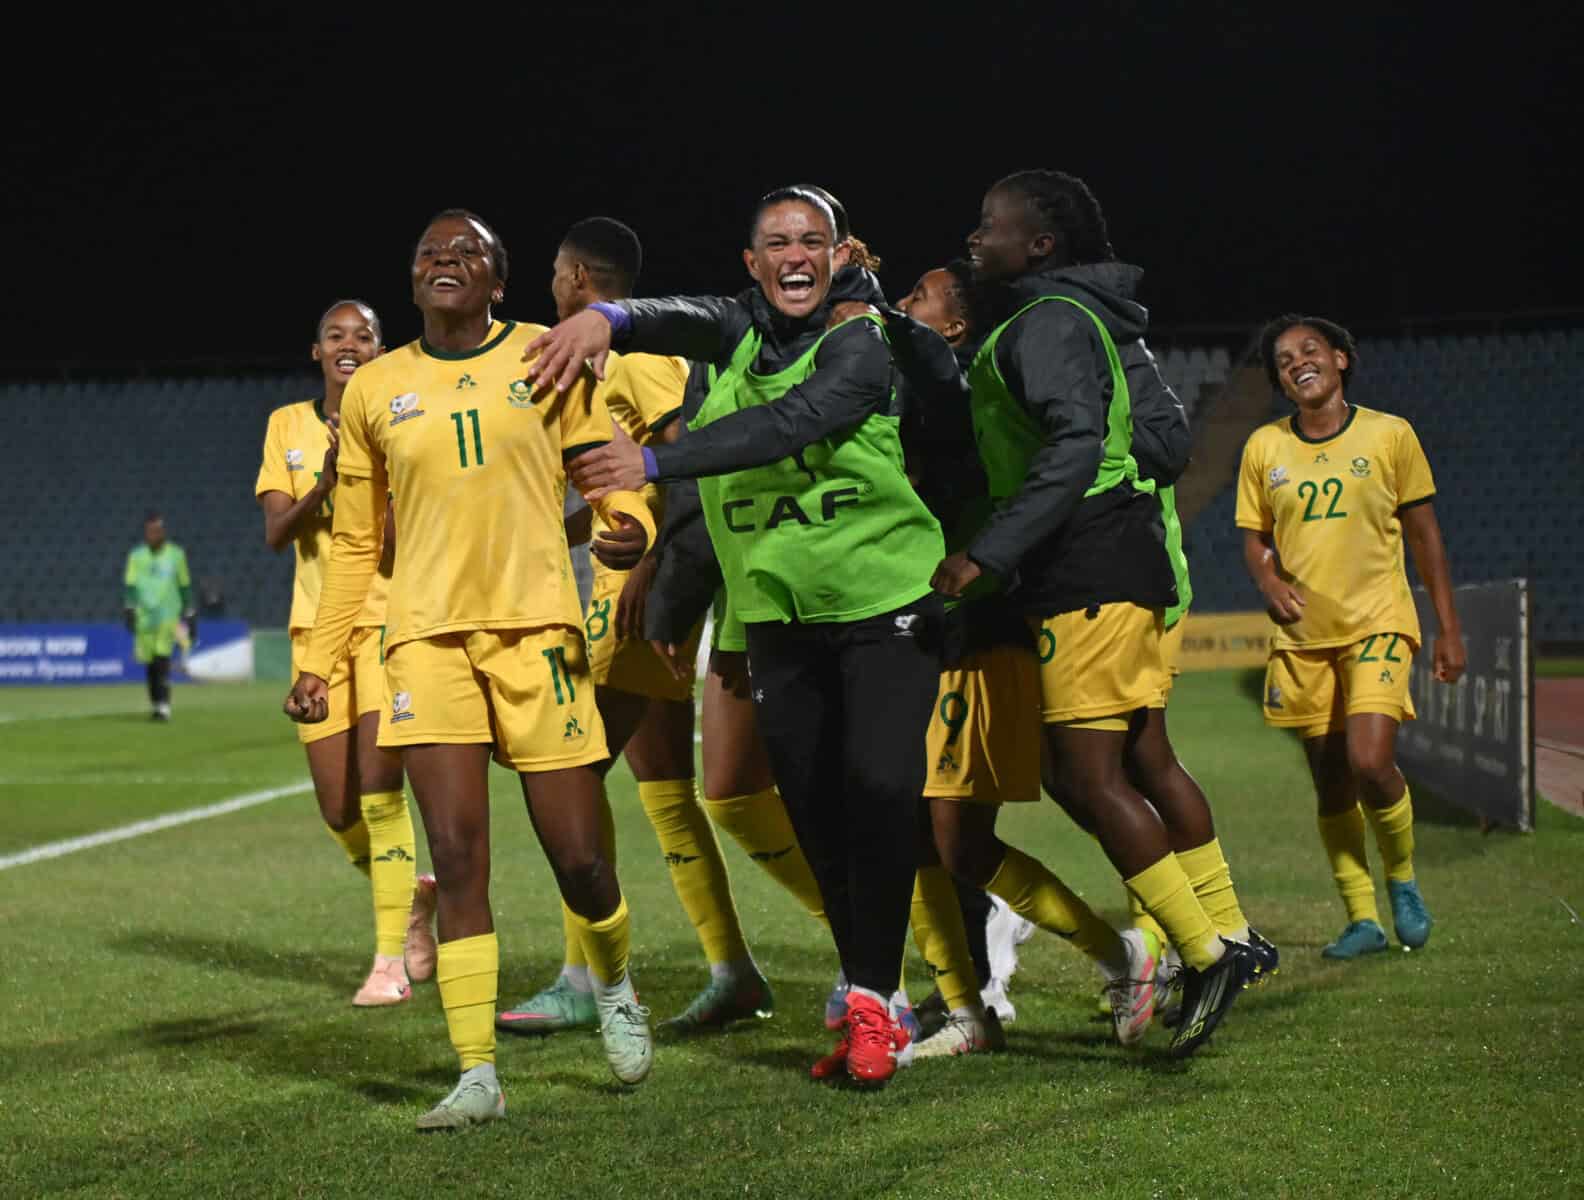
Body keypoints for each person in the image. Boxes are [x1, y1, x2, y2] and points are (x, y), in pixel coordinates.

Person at [531, 186, 946, 1087]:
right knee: (813, 815)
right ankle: (871, 995)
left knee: (876, 788)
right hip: (776, 617)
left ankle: (883, 999)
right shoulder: (734, 328)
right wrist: (607, 315)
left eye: (813, 241)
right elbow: (669, 314)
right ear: (752, 264)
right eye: (776, 243)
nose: (796, 256)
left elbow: (792, 423)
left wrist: (653, 460)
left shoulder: (860, 341)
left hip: (884, 603)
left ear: (838, 256)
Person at [284, 210, 658, 1130]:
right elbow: (358, 546)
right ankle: (477, 1072)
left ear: (500, 282)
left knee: (579, 856)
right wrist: (322, 659)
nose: (446, 262)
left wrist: (630, 527)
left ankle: (614, 986)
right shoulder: (376, 388)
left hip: (536, 633)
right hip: (423, 641)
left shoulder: (547, 354)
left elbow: (612, 477)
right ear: (413, 282)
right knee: (455, 855)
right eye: (429, 255)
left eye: (469, 255)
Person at [942, 169, 1261, 1058]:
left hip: (1089, 565)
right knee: (1117, 762)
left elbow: (1079, 443)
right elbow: (1150, 441)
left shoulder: (1044, 322)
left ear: (1039, 243)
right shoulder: (1075, 321)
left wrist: (990, 549)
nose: (975, 238)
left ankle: (1205, 952)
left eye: (987, 224)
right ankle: (1219, 937)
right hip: (1100, 562)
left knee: (1089, 778)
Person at [498, 217, 773, 1038]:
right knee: (662, 791)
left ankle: (587, 976)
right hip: (631, 590)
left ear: (581, 276)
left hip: (634, 600)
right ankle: (732, 970)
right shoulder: (606, 358)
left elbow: (691, 458)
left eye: (555, 271)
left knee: (570, 775)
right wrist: (567, 533)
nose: (551, 285)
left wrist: (650, 569)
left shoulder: (641, 356)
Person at [895, 263, 1161, 1051]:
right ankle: (971, 1005)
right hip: (923, 625)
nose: (903, 306)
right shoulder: (933, 387)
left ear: (952, 327)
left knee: (953, 836)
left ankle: (1117, 956)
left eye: (918, 298)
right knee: (931, 834)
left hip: (974, 625)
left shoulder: (962, 395)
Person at [1237, 314, 1463, 958]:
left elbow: (1425, 536)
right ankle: (1361, 919)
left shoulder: (1391, 435)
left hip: (1378, 622)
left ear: (1340, 358)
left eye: (1310, 350)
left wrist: (1448, 628)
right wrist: (1267, 581)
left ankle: (1403, 881)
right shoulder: (1264, 448)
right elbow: (1252, 539)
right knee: (1331, 782)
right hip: (1304, 637)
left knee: (1370, 761)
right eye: (1283, 360)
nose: (1297, 363)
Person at [255, 299, 436, 1009]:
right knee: (338, 810)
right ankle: (415, 898)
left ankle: (388, 961)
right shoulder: (286, 427)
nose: (350, 344)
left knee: (379, 791)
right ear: (317, 350)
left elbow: (397, 543)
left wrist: (360, 473)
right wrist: (327, 480)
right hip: (316, 634)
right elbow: (277, 532)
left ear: (381, 350)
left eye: (365, 334)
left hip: (388, 624)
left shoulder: (395, 423)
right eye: (336, 334)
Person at [123, 511, 194, 721]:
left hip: (167, 614)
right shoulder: (137, 556)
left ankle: (164, 705)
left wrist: (189, 609)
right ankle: (156, 703)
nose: (153, 535)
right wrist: (128, 608)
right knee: (150, 662)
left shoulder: (176, 554)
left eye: (157, 531)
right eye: (150, 531)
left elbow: (184, 584)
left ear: (163, 532)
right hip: (144, 616)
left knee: (162, 658)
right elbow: (130, 585)